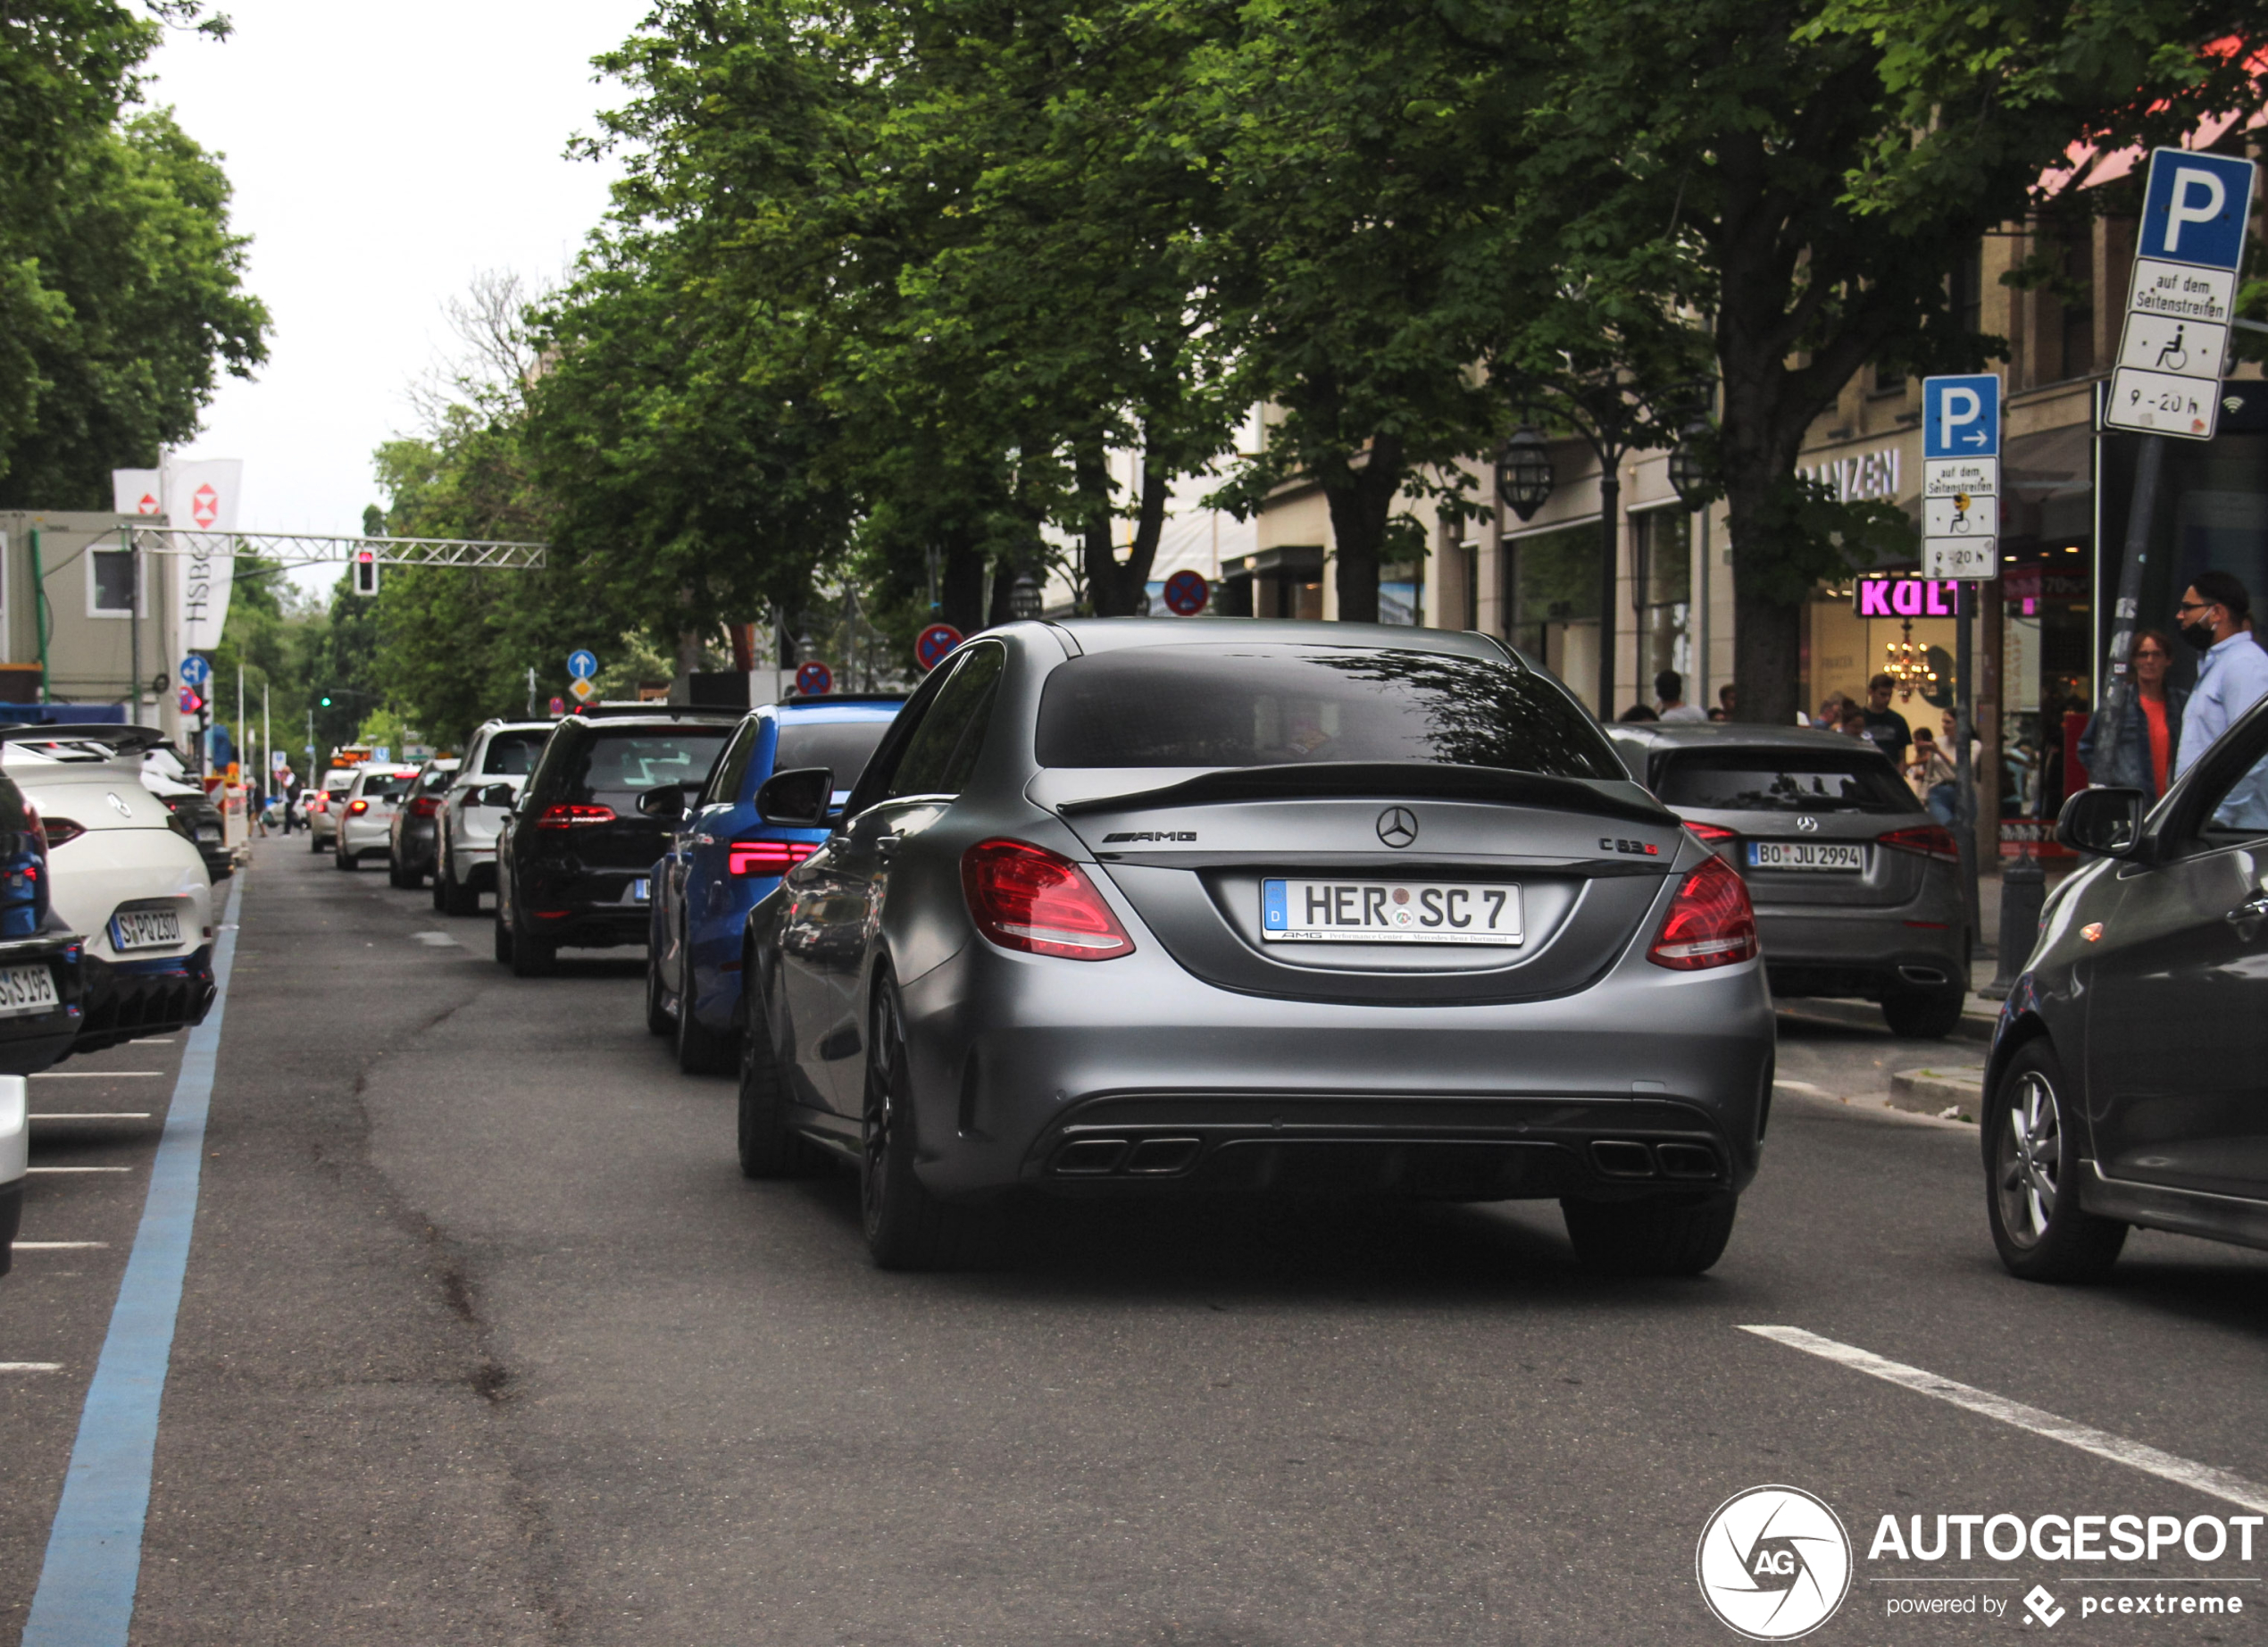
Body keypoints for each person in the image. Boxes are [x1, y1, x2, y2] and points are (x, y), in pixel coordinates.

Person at [2171, 573, 2268, 783]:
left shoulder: (2244, 664)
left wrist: (2220, 815)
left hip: (2227, 815)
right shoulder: (2221, 664)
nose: (2180, 615)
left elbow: (2253, 758)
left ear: (2217, 613)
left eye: (2188, 607)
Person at [2078, 630, 2185, 803]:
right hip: (2133, 804)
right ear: (2134, 660)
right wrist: (2116, 782)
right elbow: (2087, 747)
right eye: (2143, 655)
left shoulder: (2182, 703)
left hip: (2173, 804)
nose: (2150, 661)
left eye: (2157, 654)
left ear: (2168, 660)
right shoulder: (2116, 703)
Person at [1859, 673, 1912, 765]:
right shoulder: (1859, 717)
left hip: (1889, 773)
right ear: (1871, 692)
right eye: (1883, 694)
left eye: (1890, 695)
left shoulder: (1898, 720)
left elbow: (1902, 758)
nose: (1887, 699)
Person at [1907, 728, 1956, 821]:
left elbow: (1928, 762)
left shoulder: (1930, 751)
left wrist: (1910, 764)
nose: (1916, 742)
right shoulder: (1919, 753)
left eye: (1918, 739)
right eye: (1915, 739)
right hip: (1924, 790)